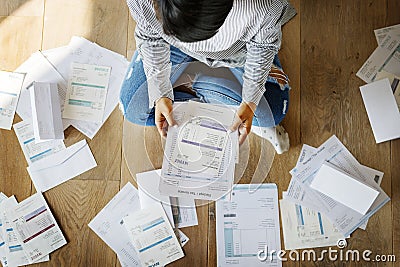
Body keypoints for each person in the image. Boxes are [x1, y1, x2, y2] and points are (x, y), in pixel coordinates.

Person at [120, 0, 296, 153]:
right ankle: (223, 102)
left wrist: (250, 102)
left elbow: (262, 47)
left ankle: (187, 88)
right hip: (171, 46)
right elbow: (151, 37)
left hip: (238, 52)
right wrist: (160, 93)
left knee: (272, 113)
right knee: (133, 108)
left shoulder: (263, 6)